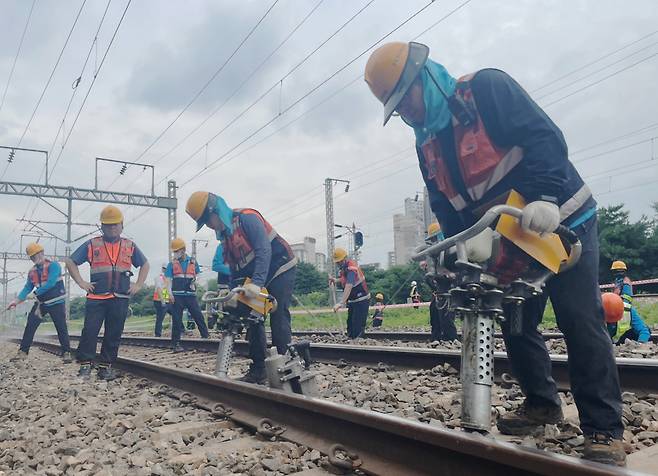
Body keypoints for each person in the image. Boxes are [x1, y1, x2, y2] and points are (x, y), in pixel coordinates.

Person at [364, 41, 625, 465]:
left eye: (405, 100)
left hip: (563, 219)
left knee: (580, 319)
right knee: (516, 322)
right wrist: (461, 246)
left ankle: (603, 428)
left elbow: (545, 137)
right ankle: (542, 405)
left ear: (425, 77)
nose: (406, 113)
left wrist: (543, 197)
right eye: (397, 109)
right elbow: (445, 201)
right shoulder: (425, 141)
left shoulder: (485, 89)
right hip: (513, 234)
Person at [185, 191, 297, 384]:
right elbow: (235, 266)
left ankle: (285, 368)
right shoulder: (225, 236)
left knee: (277, 314)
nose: (210, 225)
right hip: (257, 275)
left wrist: (257, 283)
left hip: (280, 266)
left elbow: (264, 249)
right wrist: (230, 290)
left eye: (208, 220)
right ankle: (259, 369)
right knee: (250, 317)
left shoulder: (247, 218)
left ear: (216, 210)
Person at [66, 205, 150, 380]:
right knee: (90, 330)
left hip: (120, 297)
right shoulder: (92, 244)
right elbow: (70, 261)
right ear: (102, 226)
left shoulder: (130, 245)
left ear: (121, 225)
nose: (112, 228)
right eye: (108, 225)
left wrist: (139, 285)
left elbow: (145, 264)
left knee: (114, 333)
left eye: (115, 224)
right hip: (96, 297)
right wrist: (81, 282)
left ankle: (105, 367)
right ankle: (85, 365)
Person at [8, 242, 72, 363]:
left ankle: (66, 352)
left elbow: (51, 283)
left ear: (42, 253)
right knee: (30, 326)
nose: (35, 258)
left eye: (36, 254)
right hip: (41, 304)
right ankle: (23, 352)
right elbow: (27, 288)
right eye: (32, 256)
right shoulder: (32, 272)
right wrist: (16, 301)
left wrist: (35, 294)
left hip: (56, 302)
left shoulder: (54, 266)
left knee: (61, 327)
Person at [166, 238, 209, 351]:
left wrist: (197, 283)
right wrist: (169, 294)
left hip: (190, 295)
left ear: (183, 250)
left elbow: (199, 276)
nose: (175, 253)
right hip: (177, 296)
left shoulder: (193, 262)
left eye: (177, 251)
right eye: (174, 251)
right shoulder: (171, 264)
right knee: (177, 320)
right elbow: (168, 281)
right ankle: (175, 344)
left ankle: (206, 337)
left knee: (198, 316)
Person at [424, 223, 457, 342]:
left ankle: (450, 339)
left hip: (449, 285)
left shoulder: (452, 249)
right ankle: (436, 337)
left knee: (446, 314)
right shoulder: (435, 253)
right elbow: (429, 276)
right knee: (434, 310)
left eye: (434, 238)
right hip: (439, 286)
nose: (433, 242)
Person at [607, 261, 651, 344]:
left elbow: (615, 295)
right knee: (644, 330)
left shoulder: (619, 282)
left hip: (615, 308)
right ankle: (641, 344)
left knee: (610, 331)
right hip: (625, 308)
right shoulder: (626, 281)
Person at [330, 248, 370, 338]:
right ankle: (352, 342)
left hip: (361, 300)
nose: (337, 264)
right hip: (353, 301)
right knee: (350, 326)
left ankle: (358, 345)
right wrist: (336, 280)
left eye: (339, 262)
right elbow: (345, 279)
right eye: (337, 262)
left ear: (344, 259)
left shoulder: (351, 268)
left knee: (357, 328)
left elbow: (349, 285)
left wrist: (341, 303)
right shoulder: (345, 268)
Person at [153, 264, 173, 337]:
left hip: (167, 301)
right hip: (159, 301)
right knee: (160, 318)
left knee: (175, 314)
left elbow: (168, 289)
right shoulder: (159, 278)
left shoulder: (168, 278)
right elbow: (158, 289)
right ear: (163, 269)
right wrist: (162, 301)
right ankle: (158, 334)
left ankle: (182, 330)